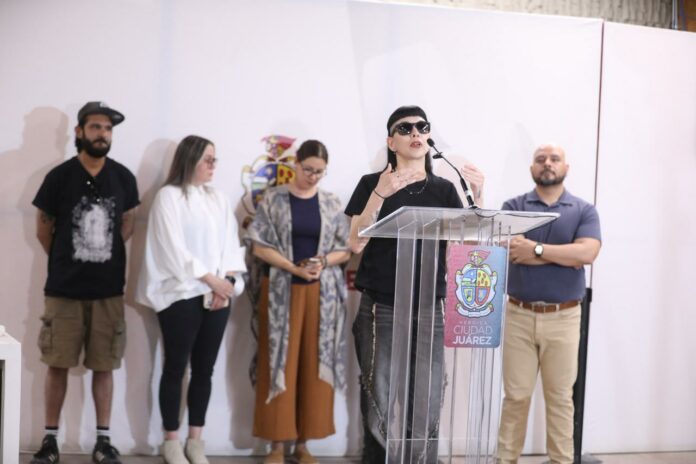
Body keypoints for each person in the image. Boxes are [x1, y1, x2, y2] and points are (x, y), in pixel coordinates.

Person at [344, 105, 484, 463]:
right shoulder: (371, 184)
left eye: (422, 127)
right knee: (379, 393)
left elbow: (468, 245)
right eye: (405, 129)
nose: (415, 133)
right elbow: (355, 243)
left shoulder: (444, 189)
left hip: (429, 307)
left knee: (428, 394)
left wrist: (477, 196)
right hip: (382, 305)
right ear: (391, 142)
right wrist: (380, 194)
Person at [31, 101, 139, 464]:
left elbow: (127, 223)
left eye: (107, 129)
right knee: (57, 363)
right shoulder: (59, 177)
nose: (102, 134)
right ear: (79, 132)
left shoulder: (123, 178)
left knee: (104, 365)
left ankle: (103, 441)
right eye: (95, 127)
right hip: (64, 291)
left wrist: (101, 256)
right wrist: (69, 259)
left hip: (108, 291)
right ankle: (50, 440)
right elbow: (43, 230)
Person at [136, 135, 246, 464]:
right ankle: (171, 440)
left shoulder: (218, 198)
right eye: (207, 159)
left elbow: (231, 245)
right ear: (190, 160)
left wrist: (226, 283)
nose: (213, 165)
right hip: (180, 294)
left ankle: (195, 440)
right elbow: (173, 250)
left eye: (215, 159)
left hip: (218, 297)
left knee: (204, 370)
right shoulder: (168, 197)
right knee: (174, 367)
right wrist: (212, 282)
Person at [245, 140, 351, 464]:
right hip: (281, 292)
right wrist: (293, 267)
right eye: (308, 170)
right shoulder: (274, 199)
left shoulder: (331, 203)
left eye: (320, 172)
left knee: (314, 364)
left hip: (322, 295)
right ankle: (276, 445)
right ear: (295, 164)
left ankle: (303, 444)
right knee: (279, 363)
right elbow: (258, 245)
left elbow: (345, 249)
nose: (313, 176)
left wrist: (322, 262)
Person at [496, 144, 601, 464]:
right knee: (515, 397)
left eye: (555, 159)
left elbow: (587, 253)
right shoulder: (514, 206)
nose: (547, 163)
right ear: (532, 169)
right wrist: (564, 254)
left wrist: (537, 250)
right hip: (519, 314)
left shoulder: (584, 210)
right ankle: (505, 460)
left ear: (566, 167)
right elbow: (513, 251)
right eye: (540, 159)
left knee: (560, 399)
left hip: (564, 317)